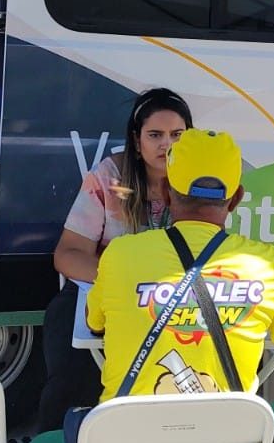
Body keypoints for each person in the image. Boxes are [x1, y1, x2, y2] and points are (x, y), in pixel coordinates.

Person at [79, 129, 274, 438]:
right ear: (236, 199)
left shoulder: (120, 254)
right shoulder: (268, 264)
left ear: (166, 192)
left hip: (128, 433)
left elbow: (93, 322)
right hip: (228, 434)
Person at [35, 88, 193, 433]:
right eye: (155, 135)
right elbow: (68, 254)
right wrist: (122, 280)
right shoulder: (109, 178)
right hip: (106, 296)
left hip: (176, 301)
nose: (167, 145)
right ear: (137, 141)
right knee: (70, 373)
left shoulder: (199, 181)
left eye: (177, 136)